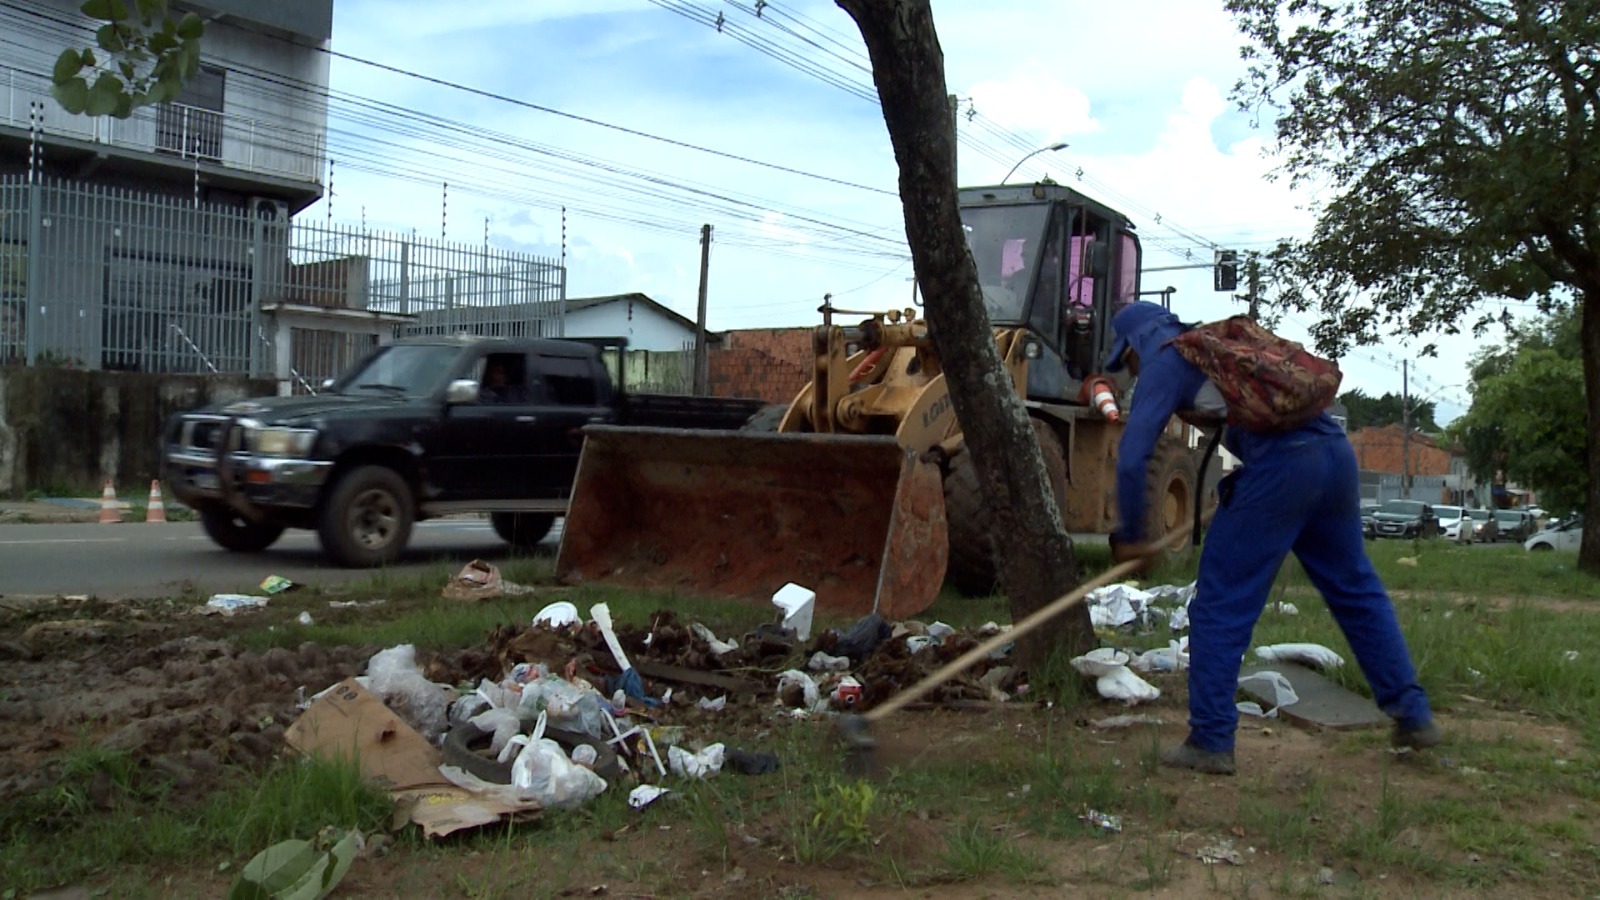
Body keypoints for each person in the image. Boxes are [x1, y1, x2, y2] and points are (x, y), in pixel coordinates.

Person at [1104, 301, 1439, 775]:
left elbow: (1135, 455)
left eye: (1126, 359)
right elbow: (1240, 431)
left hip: (1284, 470)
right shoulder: (1221, 349)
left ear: (1135, 343)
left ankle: (1211, 739)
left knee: (1220, 603)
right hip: (1334, 456)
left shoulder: (1166, 359)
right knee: (1354, 588)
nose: (1130, 370)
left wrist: (1132, 534)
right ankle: (1413, 713)